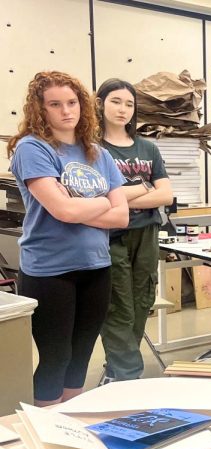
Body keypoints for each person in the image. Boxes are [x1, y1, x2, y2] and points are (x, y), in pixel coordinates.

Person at [7, 71, 128, 405]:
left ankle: (69, 425)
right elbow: (63, 211)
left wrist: (81, 205)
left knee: (79, 358)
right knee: (55, 359)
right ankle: (47, 430)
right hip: (49, 270)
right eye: (55, 104)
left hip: (96, 266)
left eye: (72, 102)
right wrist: (102, 201)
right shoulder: (33, 149)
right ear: (40, 109)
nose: (65, 111)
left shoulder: (98, 153)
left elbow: (122, 215)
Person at [95, 78, 173, 383]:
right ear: (100, 103)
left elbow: (166, 195)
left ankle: (117, 370)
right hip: (110, 236)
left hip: (147, 235)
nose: (123, 109)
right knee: (118, 307)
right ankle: (128, 378)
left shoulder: (147, 148)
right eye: (115, 101)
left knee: (142, 304)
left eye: (129, 104)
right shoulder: (92, 148)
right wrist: (142, 187)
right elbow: (95, 198)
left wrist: (121, 194)